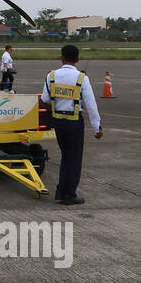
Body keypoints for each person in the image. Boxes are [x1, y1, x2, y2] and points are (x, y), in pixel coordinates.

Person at [39, 44, 102, 205]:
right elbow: (91, 105)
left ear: (61, 58)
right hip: (74, 123)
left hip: (58, 123)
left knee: (66, 156)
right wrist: (97, 127)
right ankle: (69, 193)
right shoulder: (82, 79)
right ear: (78, 60)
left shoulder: (51, 76)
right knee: (73, 158)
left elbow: (45, 99)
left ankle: (61, 190)